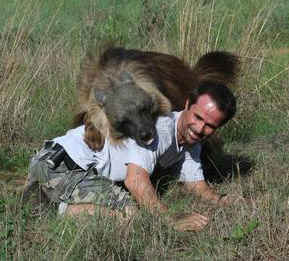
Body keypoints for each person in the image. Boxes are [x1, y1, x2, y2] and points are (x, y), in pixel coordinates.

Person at [23, 82, 237, 232]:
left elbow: (197, 186)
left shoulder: (190, 142)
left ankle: (49, 194)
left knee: (126, 208)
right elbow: (135, 181)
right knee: (129, 214)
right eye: (198, 117)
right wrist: (172, 222)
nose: (199, 128)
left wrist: (226, 201)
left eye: (210, 125)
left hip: (60, 163)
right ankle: (54, 208)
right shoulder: (160, 129)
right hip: (62, 165)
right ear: (188, 105)